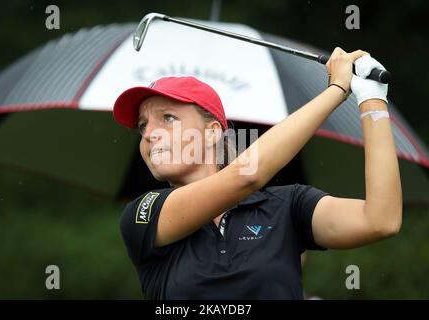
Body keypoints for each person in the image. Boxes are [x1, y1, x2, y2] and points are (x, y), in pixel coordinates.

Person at [113, 47, 402, 299]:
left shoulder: (288, 206)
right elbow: (247, 175)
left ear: (213, 133)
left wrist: (371, 101)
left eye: (167, 118)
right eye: (142, 125)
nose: (149, 133)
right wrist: (336, 90)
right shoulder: (143, 214)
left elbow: (380, 220)